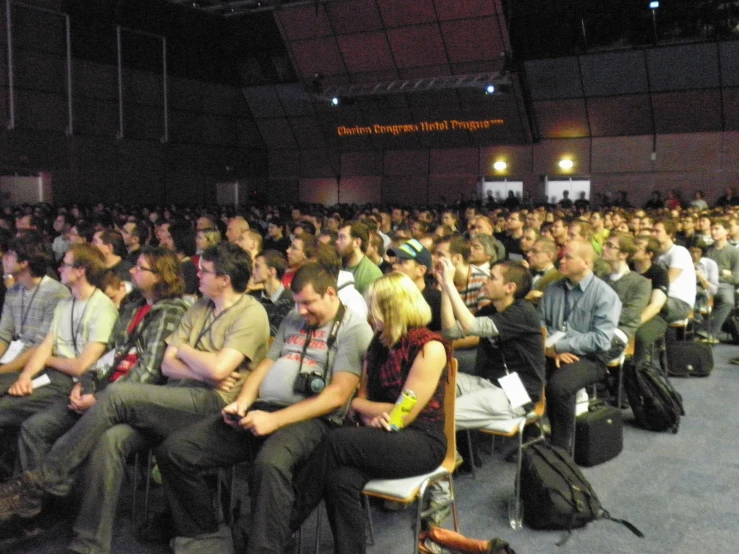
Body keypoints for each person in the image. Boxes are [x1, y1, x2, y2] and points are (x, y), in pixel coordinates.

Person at [0, 243, 270, 536]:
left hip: (213, 402)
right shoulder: (198, 307)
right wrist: (200, 364)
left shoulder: (249, 313)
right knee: (110, 439)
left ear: (224, 279)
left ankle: (44, 480)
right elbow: (169, 364)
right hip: (174, 396)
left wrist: (187, 352)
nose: (197, 275)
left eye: (204, 271)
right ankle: (89, 541)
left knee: (116, 395)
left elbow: (213, 370)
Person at [152, 262, 372, 553]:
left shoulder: (354, 328)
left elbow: (337, 396)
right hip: (261, 409)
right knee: (176, 451)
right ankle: (206, 535)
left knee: (269, 464)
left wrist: (275, 421)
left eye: (308, 303)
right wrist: (242, 403)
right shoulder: (293, 318)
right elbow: (265, 365)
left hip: (314, 419)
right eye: (297, 303)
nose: (302, 311)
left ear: (330, 293)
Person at [16, 247, 188, 554]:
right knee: (36, 428)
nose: (131, 273)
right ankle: (40, 508)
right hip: (103, 389)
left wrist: (99, 397)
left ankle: (82, 534)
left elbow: (147, 373)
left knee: (108, 442)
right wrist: (84, 384)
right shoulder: (134, 304)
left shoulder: (170, 311)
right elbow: (111, 355)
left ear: (161, 276)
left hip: (139, 403)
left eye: (140, 268)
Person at [291, 272, 450, 554]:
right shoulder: (380, 343)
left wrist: (367, 409)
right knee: (339, 480)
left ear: (392, 309)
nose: (369, 314)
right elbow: (358, 400)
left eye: (374, 307)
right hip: (379, 434)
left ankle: (281, 524)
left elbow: (403, 414)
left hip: (422, 442)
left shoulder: (430, 348)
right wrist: (369, 413)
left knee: (336, 441)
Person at [0, 243, 118, 435]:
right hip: (48, 373)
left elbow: (81, 366)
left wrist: (47, 360)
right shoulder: (65, 303)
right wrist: (25, 376)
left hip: (72, 383)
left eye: (65, 264)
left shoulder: (103, 309)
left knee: (4, 409)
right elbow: (45, 346)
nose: (60, 269)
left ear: (80, 271)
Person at [437, 258, 545, 425]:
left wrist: (450, 284)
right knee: (434, 382)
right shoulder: (491, 309)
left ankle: (450, 451)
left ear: (510, 288)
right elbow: (451, 331)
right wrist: (444, 289)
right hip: (488, 382)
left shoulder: (523, 313)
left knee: (443, 416)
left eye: (492, 278)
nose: (485, 281)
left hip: (518, 394)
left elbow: (471, 325)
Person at [539, 239, 621, 452]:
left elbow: (601, 339)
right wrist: (550, 350)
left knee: (559, 386)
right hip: (550, 350)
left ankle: (560, 449)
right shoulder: (553, 288)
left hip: (591, 357)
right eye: (562, 256)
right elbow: (540, 324)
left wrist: (562, 347)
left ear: (585, 263)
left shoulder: (605, 295)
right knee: (517, 371)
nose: (561, 261)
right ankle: (532, 432)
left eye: (568, 257)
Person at [249, 249, 295, 337]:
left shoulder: (290, 300)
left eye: (257, 267)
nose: (253, 271)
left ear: (271, 271)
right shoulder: (251, 297)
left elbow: (274, 334)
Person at [336, 221, 382, 295]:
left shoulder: (371, 273)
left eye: (342, 237)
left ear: (357, 242)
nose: (337, 241)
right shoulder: (338, 264)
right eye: (338, 237)